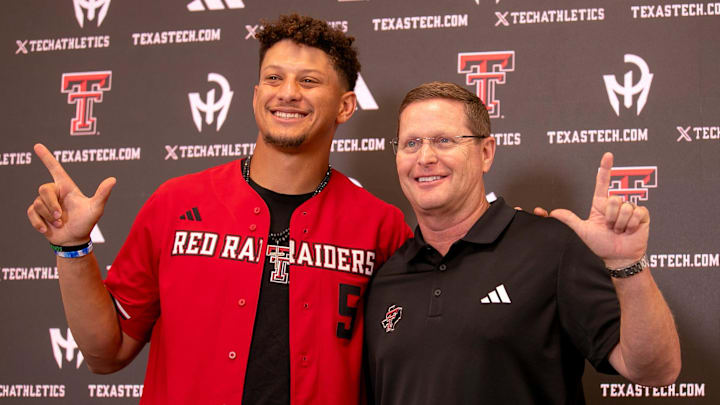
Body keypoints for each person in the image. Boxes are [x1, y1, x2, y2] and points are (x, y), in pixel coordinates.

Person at [27, 14, 411, 405]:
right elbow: (106, 354)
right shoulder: (176, 204)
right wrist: (73, 247)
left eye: (309, 81)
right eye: (274, 78)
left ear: (346, 106)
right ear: (255, 94)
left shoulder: (382, 225)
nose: (288, 93)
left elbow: (409, 363)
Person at [364, 81, 681, 404]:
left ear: (485, 153)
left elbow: (656, 371)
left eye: (444, 141)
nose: (425, 157)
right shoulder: (387, 277)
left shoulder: (551, 249)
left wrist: (627, 264)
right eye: (411, 143)